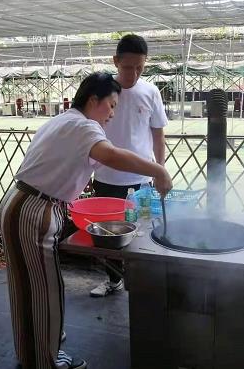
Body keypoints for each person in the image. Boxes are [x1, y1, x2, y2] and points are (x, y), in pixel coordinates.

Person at [0, 72, 172, 369]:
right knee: (43, 290)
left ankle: (33, 350)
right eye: (112, 105)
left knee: (27, 286)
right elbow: (111, 155)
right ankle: (45, 361)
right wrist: (159, 170)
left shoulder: (65, 120)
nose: (113, 113)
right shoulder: (83, 125)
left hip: (21, 203)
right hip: (33, 210)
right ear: (94, 100)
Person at [90, 34, 168, 298]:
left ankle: (142, 285)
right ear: (115, 62)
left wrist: (161, 170)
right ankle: (113, 280)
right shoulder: (101, 92)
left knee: (142, 234)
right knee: (107, 235)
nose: (133, 73)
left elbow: (158, 134)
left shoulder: (150, 91)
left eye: (139, 68)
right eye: (127, 67)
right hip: (105, 176)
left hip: (141, 179)